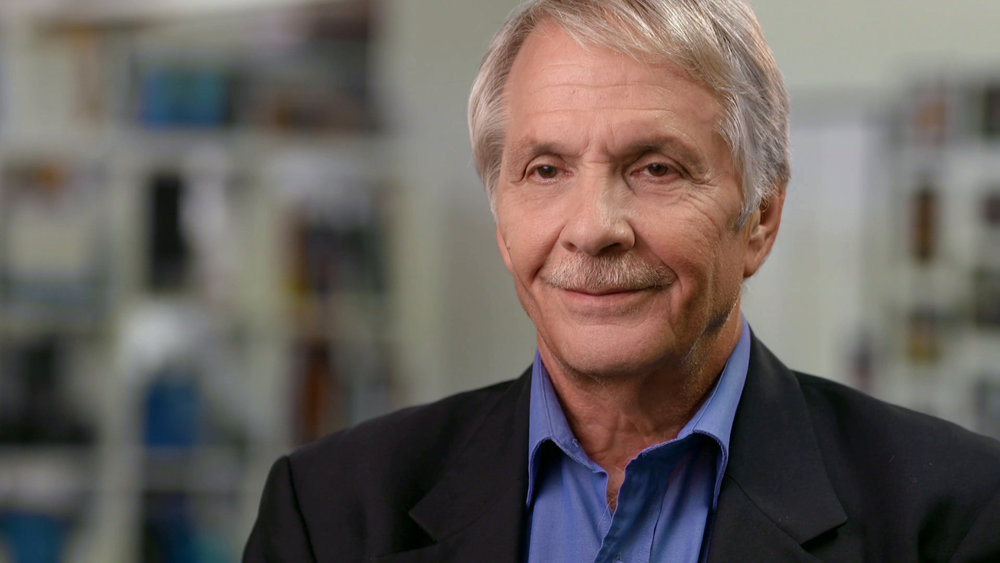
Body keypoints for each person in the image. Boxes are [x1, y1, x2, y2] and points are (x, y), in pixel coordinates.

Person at [244, 1, 1000, 561]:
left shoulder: (954, 515)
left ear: (761, 218)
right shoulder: (331, 513)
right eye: (546, 170)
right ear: (503, 223)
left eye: (656, 168)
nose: (593, 226)